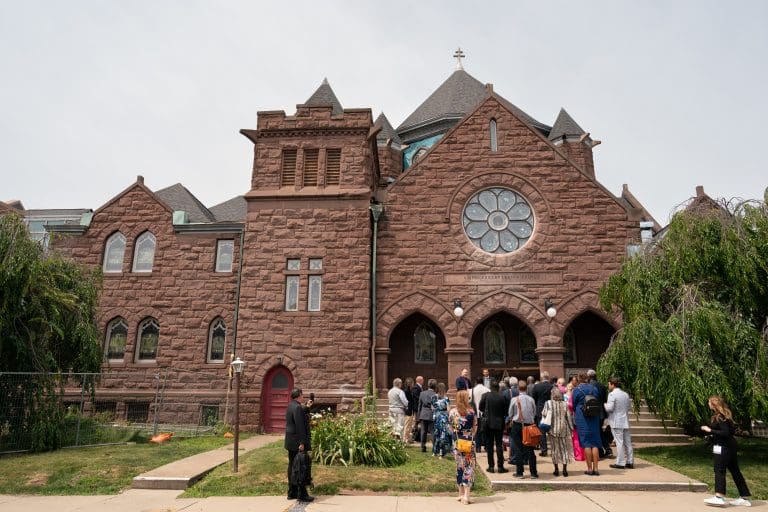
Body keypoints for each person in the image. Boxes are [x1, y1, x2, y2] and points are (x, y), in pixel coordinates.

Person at [701, 396, 752, 507]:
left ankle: (719, 497)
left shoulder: (720, 417)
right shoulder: (725, 416)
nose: (708, 404)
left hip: (724, 448)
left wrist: (710, 430)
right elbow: (729, 432)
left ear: (714, 404)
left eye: (709, 402)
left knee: (719, 470)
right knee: (735, 471)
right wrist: (712, 435)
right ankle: (745, 498)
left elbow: (725, 433)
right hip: (729, 447)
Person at [285, 388, 314, 502]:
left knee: (292, 466)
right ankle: (302, 494)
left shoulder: (291, 405)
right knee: (301, 467)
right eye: (302, 395)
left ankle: (292, 492)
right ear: (298, 396)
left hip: (290, 442)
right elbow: (300, 426)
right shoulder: (297, 407)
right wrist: (302, 442)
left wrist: (307, 407)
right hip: (297, 442)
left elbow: (299, 413)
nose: (303, 397)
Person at [448, 390, 477, 505]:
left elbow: (450, 428)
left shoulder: (453, 412)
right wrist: (469, 436)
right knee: (469, 467)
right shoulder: (471, 412)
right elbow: (475, 428)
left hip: (457, 443)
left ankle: (460, 494)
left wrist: (457, 437)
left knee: (459, 466)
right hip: (468, 442)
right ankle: (466, 496)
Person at [572, 372, 602, 475]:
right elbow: (597, 400)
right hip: (594, 417)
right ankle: (596, 469)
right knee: (595, 443)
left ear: (579, 379)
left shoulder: (577, 390)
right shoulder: (594, 388)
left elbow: (574, 403)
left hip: (582, 417)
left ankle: (589, 469)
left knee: (586, 444)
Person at [508, 380, 538, 479]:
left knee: (518, 449)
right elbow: (534, 413)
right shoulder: (531, 399)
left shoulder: (514, 399)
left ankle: (519, 472)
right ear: (526, 388)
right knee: (530, 449)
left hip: (517, 425)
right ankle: (533, 473)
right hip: (529, 425)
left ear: (518, 389)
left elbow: (510, 414)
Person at [542, 386, 574, 476]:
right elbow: (568, 418)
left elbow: (544, 414)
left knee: (555, 450)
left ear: (552, 395)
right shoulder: (565, 404)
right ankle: (565, 470)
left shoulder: (548, 403)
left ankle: (556, 469)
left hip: (552, 430)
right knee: (564, 449)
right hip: (564, 429)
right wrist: (571, 429)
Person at [479, 379, 508, 473]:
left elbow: (480, 407)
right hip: (499, 423)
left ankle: (491, 466)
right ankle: (500, 467)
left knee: (489, 445)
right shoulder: (502, 397)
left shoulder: (485, 396)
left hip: (488, 423)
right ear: (498, 388)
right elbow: (505, 411)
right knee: (499, 445)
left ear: (490, 387)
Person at [604, 377, 634, 469]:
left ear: (613, 384)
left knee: (619, 442)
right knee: (627, 442)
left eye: (609, 384)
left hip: (616, 421)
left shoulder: (612, 394)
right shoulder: (625, 394)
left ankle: (620, 462)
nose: (608, 386)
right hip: (625, 420)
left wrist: (604, 404)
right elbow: (629, 407)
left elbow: (609, 408)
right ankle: (630, 461)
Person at [531, 371, 553, 456]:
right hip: (550, 410)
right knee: (551, 430)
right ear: (548, 378)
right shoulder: (552, 387)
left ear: (541, 378)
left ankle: (544, 450)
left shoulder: (537, 386)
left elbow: (533, 399)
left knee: (541, 431)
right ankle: (554, 449)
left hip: (540, 410)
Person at [432, 382, 452, 457]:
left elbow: (432, 408)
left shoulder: (434, 397)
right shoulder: (446, 398)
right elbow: (449, 409)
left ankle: (434, 452)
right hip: (443, 418)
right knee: (443, 435)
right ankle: (441, 452)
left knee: (437, 434)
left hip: (436, 417)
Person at [566, 381, 585, 462]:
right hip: (584, 417)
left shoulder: (573, 395)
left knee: (576, 438)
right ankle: (583, 455)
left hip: (576, 417)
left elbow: (570, 406)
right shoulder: (583, 393)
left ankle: (579, 455)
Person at [471, 375, 490, 452]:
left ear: (476, 382)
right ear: (483, 382)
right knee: (486, 430)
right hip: (485, 413)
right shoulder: (487, 390)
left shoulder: (472, 390)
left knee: (477, 430)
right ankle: (486, 446)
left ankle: (478, 447)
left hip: (475, 412)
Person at [417, 378, 437, 452]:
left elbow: (419, 405)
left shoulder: (422, 393)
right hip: (432, 414)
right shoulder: (435, 395)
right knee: (433, 431)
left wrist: (418, 416)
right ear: (435, 386)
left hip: (423, 414)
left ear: (428, 385)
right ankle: (434, 448)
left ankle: (422, 447)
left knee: (423, 431)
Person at [403, 377, 416, 442]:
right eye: (412, 383)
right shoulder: (406, 391)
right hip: (408, 410)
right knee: (407, 425)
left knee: (410, 425)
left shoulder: (411, 391)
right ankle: (405, 439)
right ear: (410, 384)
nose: (413, 384)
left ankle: (407, 438)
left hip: (411, 410)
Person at [411, 376, 424, 441]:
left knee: (418, 421)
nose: (423, 381)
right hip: (417, 408)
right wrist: (423, 399)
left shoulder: (420, 387)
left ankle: (417, 436)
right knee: (416, 421)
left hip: (420, 407)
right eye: (422, 380)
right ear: (420, 380)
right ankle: (414, 436)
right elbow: (416, 396)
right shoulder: (416, 387)